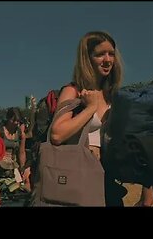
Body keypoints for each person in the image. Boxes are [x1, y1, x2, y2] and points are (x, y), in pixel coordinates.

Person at [50, 31, 123, 205]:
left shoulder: (114, 95)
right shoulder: (73, 91)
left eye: (111, 54)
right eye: (100, 54)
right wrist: (90, 108)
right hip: (80, 179)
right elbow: (57, 134)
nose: (107, 60)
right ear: (87, 58)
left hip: (109, 179)